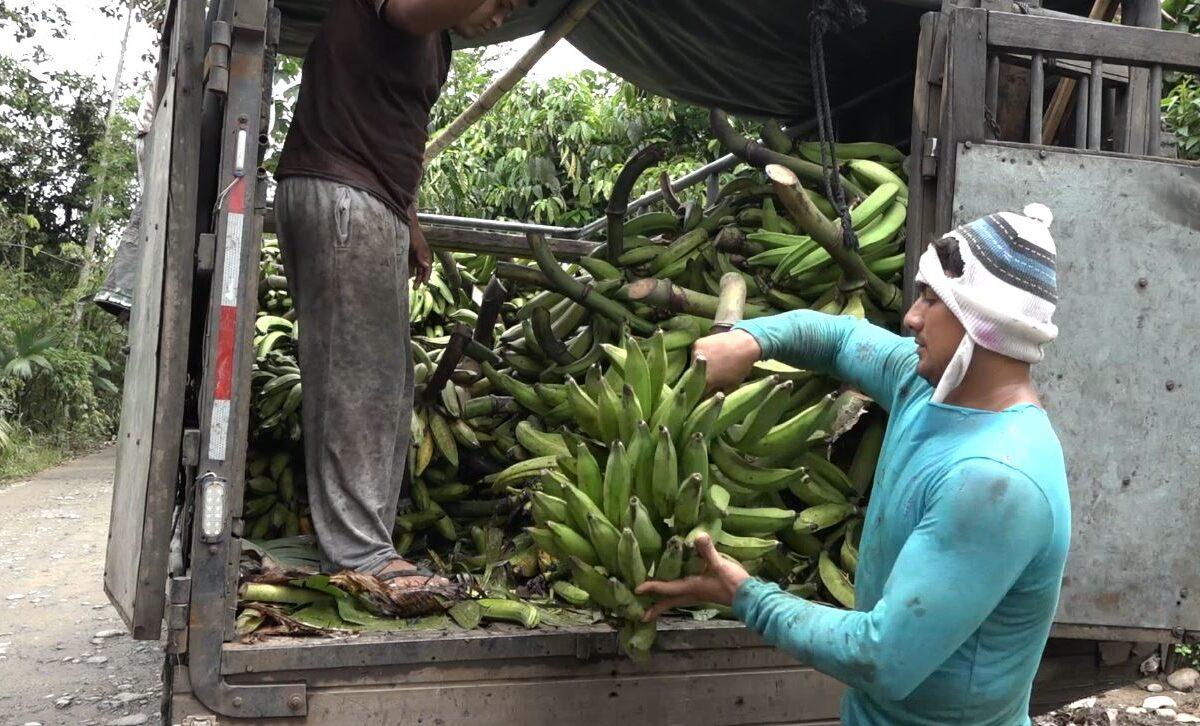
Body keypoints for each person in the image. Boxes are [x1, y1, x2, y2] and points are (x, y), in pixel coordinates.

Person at [639, 205, 1070, 725]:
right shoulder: (925, 386)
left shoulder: (998, 480)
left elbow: (882, 658)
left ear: (984, 324)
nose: (911, 316)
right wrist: (752, 340)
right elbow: (842, 339)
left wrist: (745, 595)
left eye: (933, 300)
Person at [272, 0, 524, 588]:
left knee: (380, 380)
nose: (501, 17)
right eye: (502, 2)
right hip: (342, 196)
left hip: (368, 199)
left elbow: (393, 128)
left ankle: (362, 545)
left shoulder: (438, 44)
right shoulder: (405, 8)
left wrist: (408, 220)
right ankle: (360, 555)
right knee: (359, 383)